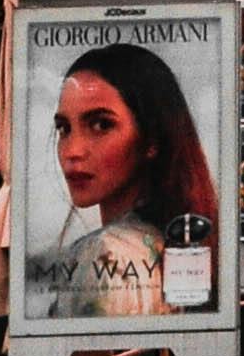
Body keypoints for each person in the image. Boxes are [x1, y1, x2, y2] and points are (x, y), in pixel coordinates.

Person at [38, 45, 219, 318]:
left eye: (100, 125)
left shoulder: (103, 252)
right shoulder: (176, 243)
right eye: (64, 128)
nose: (72, 150)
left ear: (151, 140)